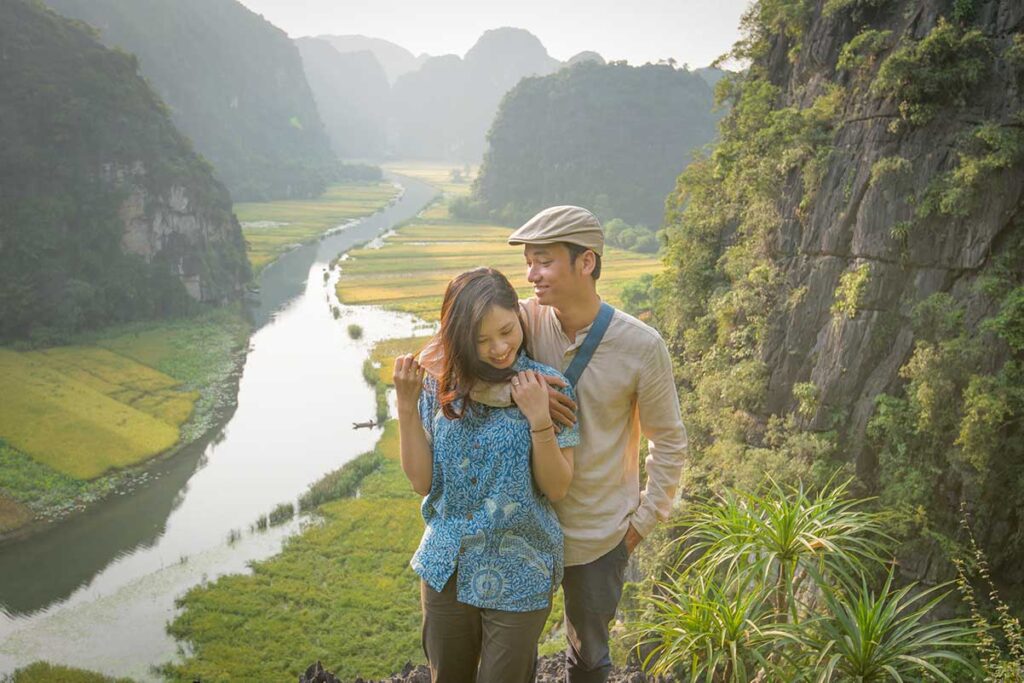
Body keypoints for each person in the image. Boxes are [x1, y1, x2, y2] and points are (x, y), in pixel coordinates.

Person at [419, 205, 688, 682]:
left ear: (586, 262)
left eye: (543, 261)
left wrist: (640, 526)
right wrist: (518, 393)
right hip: (517, 531)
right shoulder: (523, 317)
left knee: (587, 658)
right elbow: (442, 354)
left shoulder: (641, 346)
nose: (530, 274)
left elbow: (669, 443)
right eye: (528, 261)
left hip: (596, 535)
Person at [393, 267, 580, 683]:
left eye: (506, 331)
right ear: (459, 338)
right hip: (447, 563)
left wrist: (538, 419)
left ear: (519, 315)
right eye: (480, 340)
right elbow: (422, 482)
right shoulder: (437, 386)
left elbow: (558, 486)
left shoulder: (548, 387)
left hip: (520, 566)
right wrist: (406, 407)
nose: (499, 349)